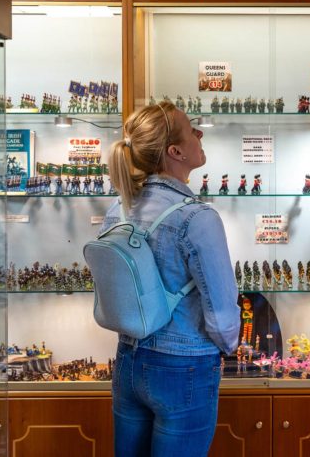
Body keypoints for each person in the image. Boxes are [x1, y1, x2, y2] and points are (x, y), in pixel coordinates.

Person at [101, 101, 240, 457]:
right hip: (184, 366)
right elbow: (223, 316)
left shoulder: (120, 208)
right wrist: (228, 348)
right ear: (175, 151)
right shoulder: (197, 218)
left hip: (128, 360)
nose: (200, 133)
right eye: (192, 128)